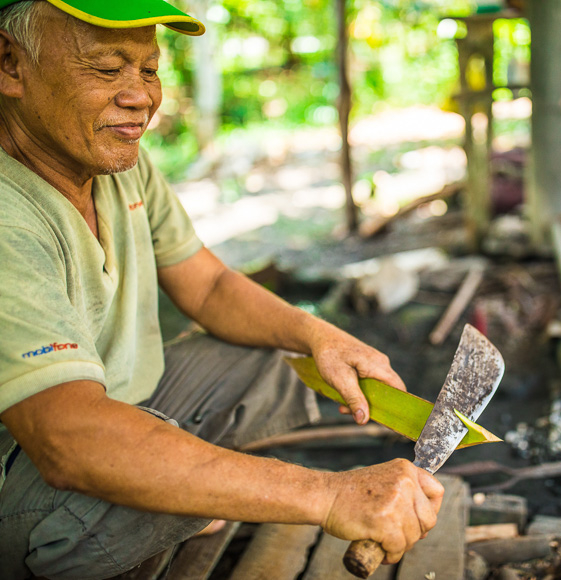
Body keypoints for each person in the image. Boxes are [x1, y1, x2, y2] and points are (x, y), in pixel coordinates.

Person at [0, 1, 443, 578]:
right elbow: (69, 439)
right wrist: (331, 495)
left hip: (114, 410)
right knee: (111, 458)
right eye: (107, 70)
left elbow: (207, 285)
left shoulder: (114, 159)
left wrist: (320, 335)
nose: (141, 98)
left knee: (283, 353)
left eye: (149, 70)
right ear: (10, 66)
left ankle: (176, 481)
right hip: (29, 473)